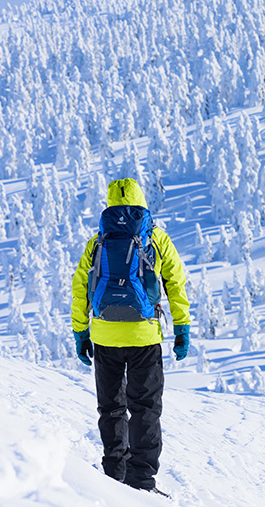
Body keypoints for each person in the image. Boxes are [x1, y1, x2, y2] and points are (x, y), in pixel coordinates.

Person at [70, 178, 190, 494]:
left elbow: (80, 286)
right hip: (144, 337)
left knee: (110, 407)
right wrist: (182, 328)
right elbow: (175, 283)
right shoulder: (156, 238)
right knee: (145, 408)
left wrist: (81, 332)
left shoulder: (98, 241)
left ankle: (113, 476)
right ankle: (141, 482)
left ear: (109, 203)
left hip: (105, 336)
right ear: (141, 202)